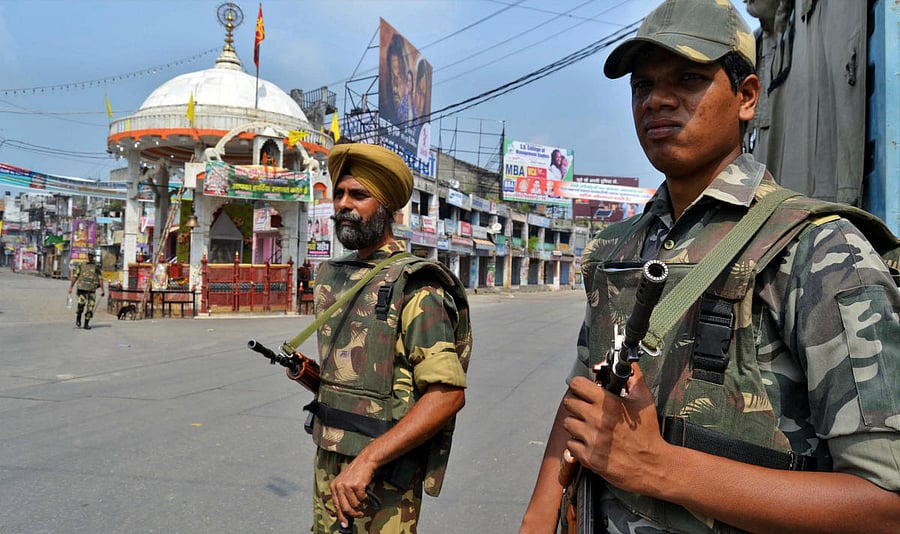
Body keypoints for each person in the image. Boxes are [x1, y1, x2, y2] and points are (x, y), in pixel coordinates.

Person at [519, 1, 900, 533]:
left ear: (746, 97)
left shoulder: (817, 250)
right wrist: (537, 519)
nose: (657, 99)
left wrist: (659, 468)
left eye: (690, 78)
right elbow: (584, 396)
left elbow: (883, 504)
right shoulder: (618, 248)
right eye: (642, 84)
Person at [307, 142, 472, 533]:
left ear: (387, 208)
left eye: (359, 195)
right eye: (339, 194)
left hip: (380, 483)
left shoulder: (416, 288)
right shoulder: (337, 277)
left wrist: (368, 461)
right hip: (331, 466)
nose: (344, 204)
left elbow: (447, 395)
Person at [68, 250, 105, 330]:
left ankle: (86, 323)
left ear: (93, 256)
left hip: (92, 290)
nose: (90, 256)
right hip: (82, 289)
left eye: (91, 255)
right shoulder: (82, 265)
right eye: (89, 255)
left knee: (90, 307)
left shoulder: (96, 266)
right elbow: (75, 276)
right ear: (87, 256)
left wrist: (102, 290)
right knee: (81, 304)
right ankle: (78, 316)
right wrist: (71, 287)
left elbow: (100, 279)